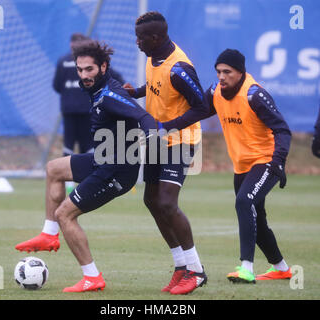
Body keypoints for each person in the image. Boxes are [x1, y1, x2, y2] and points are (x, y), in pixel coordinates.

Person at [15, 39, 157, 292]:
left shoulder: (111, 95)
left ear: (103, 67)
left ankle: (92, 277)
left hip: (116, 171)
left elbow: (143, 117)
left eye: (89, 69)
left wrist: (151, 135)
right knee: (53, 169)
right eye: (79, 70)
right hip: (102, 159)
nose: (83, 75)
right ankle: (49, 235)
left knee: (65, 214)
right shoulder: (97, 89)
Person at [124, 11, 208, 295]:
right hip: (158, 140)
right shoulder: (153, 56)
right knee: (151, 200)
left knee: (167, 203)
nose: (136, 42)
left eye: (141, 38)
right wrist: (135, 92)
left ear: (156, 38)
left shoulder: (180, 68)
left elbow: (203, 107)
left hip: (181, 140)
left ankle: (196, 271)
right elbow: (155, 86)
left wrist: (168, 126)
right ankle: (181, 266)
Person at [203, 49, 292, 283]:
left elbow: (282, 130)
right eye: (218, 71)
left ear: (240, 72)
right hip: (241, 166)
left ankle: (246, 268)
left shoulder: (254, 95)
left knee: (244, 202)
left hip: (265, 162)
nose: (221, 76)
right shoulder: (216, 92)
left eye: (227, 72)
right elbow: (196, 110)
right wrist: (163, 123)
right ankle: (282, 269)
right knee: (257, 221)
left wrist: (278, 163)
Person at [53, 33, 125, 192]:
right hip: (87, 109)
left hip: (70, 109)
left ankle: (68, 181)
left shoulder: (63, 60)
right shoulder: (90, 62)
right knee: (89, 146)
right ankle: (87, 181)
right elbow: (116, 78)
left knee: (69, 144)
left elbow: (57, 86)